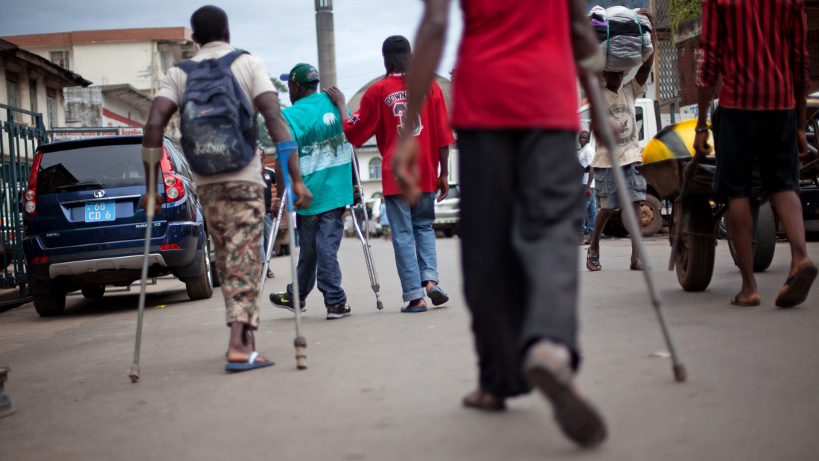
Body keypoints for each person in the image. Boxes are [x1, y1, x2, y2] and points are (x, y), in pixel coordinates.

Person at [391, 0, 609, 448]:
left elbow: (435, 24)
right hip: (548, 103)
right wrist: (597, 98)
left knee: (488, 247)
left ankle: (495, 380)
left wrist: (409, 126)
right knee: (549, 233)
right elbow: (580, 32)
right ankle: (550, 344)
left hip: (484, 104)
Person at [140, 5, 311, 372]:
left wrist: (152, 188)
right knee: (245, 259)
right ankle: (238, 344)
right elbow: (275, 121)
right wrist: (295, 180)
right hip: (245, 175)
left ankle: (246, 339)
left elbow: (153, 127)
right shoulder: (248, 64)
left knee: (227, 256)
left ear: (194, 38)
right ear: (228, 33)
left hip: (206, 179)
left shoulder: (178, 73)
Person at [694, 0, 816, 307]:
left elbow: (708, 59)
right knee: (784, 185)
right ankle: (800, 256)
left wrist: (701, 124)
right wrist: (800, 125)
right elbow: (800, 61)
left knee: (737, 193)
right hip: (782, 104)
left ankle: (749, 287)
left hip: (738, 105)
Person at [326, 35, 454, 313]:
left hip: (395, 176)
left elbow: (354, 131)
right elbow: (444, 137)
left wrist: (340, 104)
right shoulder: (431, 87)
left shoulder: (378, 90)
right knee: (423, 227)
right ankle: (431, 282)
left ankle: (415, 296)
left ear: (385, 59)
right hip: (426, 172)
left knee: (404, 233)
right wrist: (443, 172)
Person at [268, 63, 354, 320]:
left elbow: (283, 160)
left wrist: (280, 197)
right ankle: (297, 296)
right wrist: (355, 185)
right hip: (336, 192)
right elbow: (351, 139)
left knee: (323, 249)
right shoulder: (336, 104)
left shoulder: (289, 115)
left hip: (307, 194)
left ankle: (336, 302)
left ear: (294, 86)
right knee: (310, 252)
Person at [586, 9, 655, 272]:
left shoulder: (629, 91)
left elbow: (646, 66)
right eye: (613, 73)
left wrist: (652, 32)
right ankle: (594, 247)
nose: (618, 75)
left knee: (636, 203)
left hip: (632, 157)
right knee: (607, 208)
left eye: (620, 73)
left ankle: (636, 256)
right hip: (606, 161)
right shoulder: (597, 93)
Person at [577, 130, 596, 244]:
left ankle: (580, 238)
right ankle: (592, 237)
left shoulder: (588, 150)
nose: (582, 140)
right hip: (587, 184)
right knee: (592, 212)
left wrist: (588, 186)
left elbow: (592, 168)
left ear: (588, 139)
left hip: (586, 185)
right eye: (580, 138)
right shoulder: (584, 150)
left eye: (584, 138)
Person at [262, 164, 277, 278]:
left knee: (269, 241)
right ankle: (264, 267)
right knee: (259, 241)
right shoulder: (248, 170)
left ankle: (267, 265)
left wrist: (278, 202)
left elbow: (280, 187)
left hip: (267, 213)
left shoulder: (270, 172)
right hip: (253, 214)